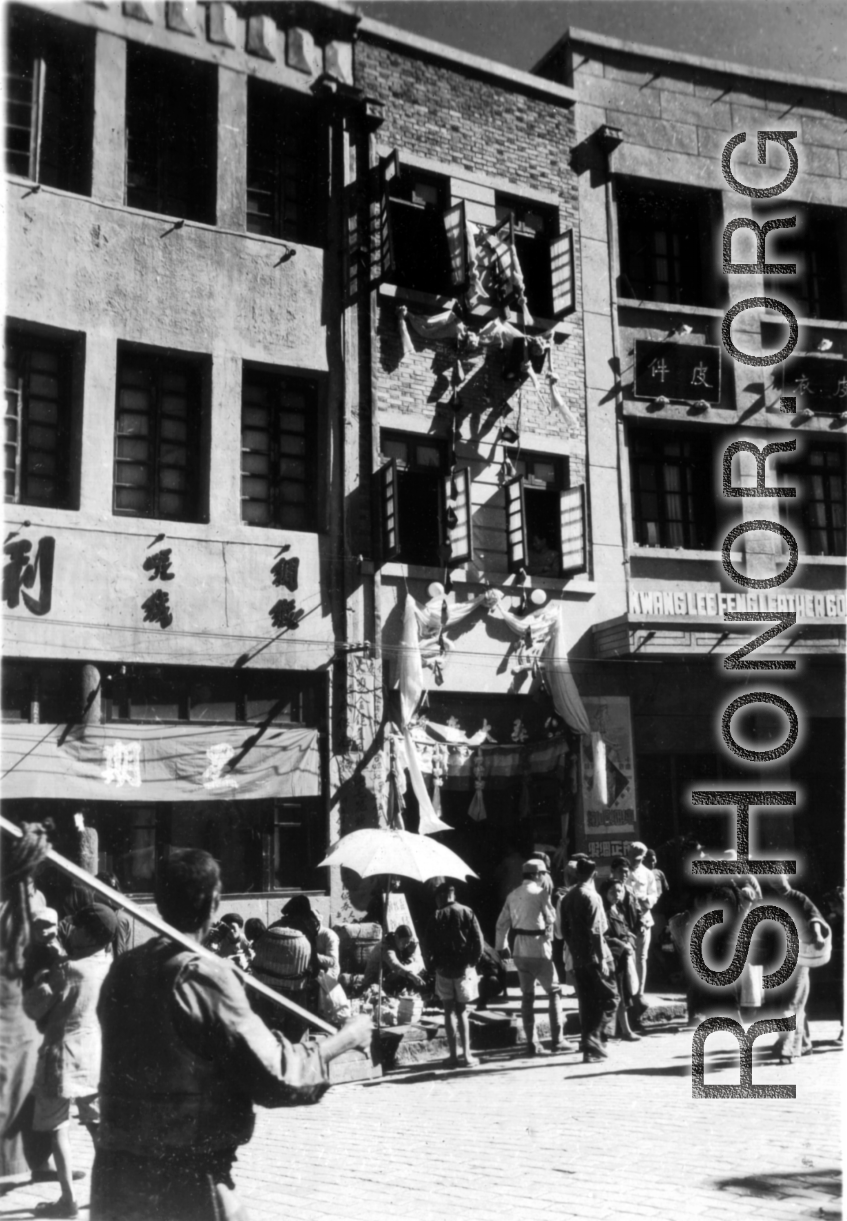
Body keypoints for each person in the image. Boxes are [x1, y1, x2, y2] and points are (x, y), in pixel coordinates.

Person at [91, 848, 371, 1221]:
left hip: (116, 1179)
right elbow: (276, 1074)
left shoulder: (124, 969)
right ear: (215, 903)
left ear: (158, 901)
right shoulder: (204, 977)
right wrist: (345, 1039)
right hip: (183, 1183)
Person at [24, 903, 117, 1219]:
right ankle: (112, 1193)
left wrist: (41, 981)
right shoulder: (108, 962)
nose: (69, 929)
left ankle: (68, 1201)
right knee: (97, 1126)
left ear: (89, 933)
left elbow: (34, 1008)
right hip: (94, 1058)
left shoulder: (65, 970)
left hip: (59, 1059)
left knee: (58, 1128)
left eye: (76, 925)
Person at [495, 859, 565, 1056]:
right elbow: (552, 919)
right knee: (554, 992)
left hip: (519, 949)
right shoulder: (541, 894)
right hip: (539, 948)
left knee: (527, 996)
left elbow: (501, 925)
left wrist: (503, 947)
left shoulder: (512, 895)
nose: (545, 877)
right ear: (537, 875)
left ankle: (532, 1044)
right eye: (544, 874)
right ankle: (558, 1040)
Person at [759, 875, 829, 1065]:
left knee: (791, 1003)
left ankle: (788, 1049)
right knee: (792, 1001)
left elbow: (813, 917)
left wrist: (817, 935)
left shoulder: (798, 897)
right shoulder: (773, 901)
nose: (774, 881)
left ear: (786, 877)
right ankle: (804, 1043)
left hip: (800, 957)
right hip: (780, 961)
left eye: (777, 877)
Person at [558, 856, 618, 1062]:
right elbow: (596, 931)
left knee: (587, 1002)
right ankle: (594, 1038)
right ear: (594, 874)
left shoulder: (567, 897)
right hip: (595, 956)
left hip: (579, 957)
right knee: (610, 998)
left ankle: (588, 1047)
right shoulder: (592, 897)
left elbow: (563, 931)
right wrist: (601, 959)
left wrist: (575, 952)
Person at [424, 882, 484, 1069]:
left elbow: (427, 946)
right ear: (453, 894)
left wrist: (432, 966)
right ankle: (466, 1056)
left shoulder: (436, 915)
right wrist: (472, 962)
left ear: (442, 896)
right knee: (462, 1011)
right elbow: (479, 942)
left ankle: (452, 1056)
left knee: (448, 1011)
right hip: (463, 970)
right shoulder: (467, 911)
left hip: (443, 971)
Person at [600, 879, 640, 1042]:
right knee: (616, 995)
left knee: (623, 993)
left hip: (624, 956)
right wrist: (621, 944)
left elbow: (624, 929)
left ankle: (621, 1029)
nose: (617, 895)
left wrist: (629, 936)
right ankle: (619, 1030)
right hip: (613, 957)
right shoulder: (604, 911)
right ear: (605, 893)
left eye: (619, 891)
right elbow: (604, 936)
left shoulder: (620, 909)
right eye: (613, 891)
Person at [626, 841, 659, 1007]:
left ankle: (640, 993)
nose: (635, 861)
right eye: (633, 858)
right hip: (627, 921)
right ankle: (630, 993)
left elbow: (653, 896)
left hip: (644, 918)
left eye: (639, 859)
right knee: (629, 958)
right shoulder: (622, 872)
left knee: (641, 958)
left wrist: (646, 900)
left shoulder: (648, 874)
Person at [362, 925, 426, 995]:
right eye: (404, 942)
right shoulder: (386, 948)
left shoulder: (401, 942)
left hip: (387, 976)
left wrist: (410, 959)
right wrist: (412, 976)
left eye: (408, 942)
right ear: (397, 937)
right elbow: (395, 964)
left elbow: (414, 951)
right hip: (374, 980)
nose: (406, 945)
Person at [94, 874, 132, 958]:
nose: (93, 894)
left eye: (96, 890)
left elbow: (119, 955)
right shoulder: (106, 915)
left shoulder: (117, 919)